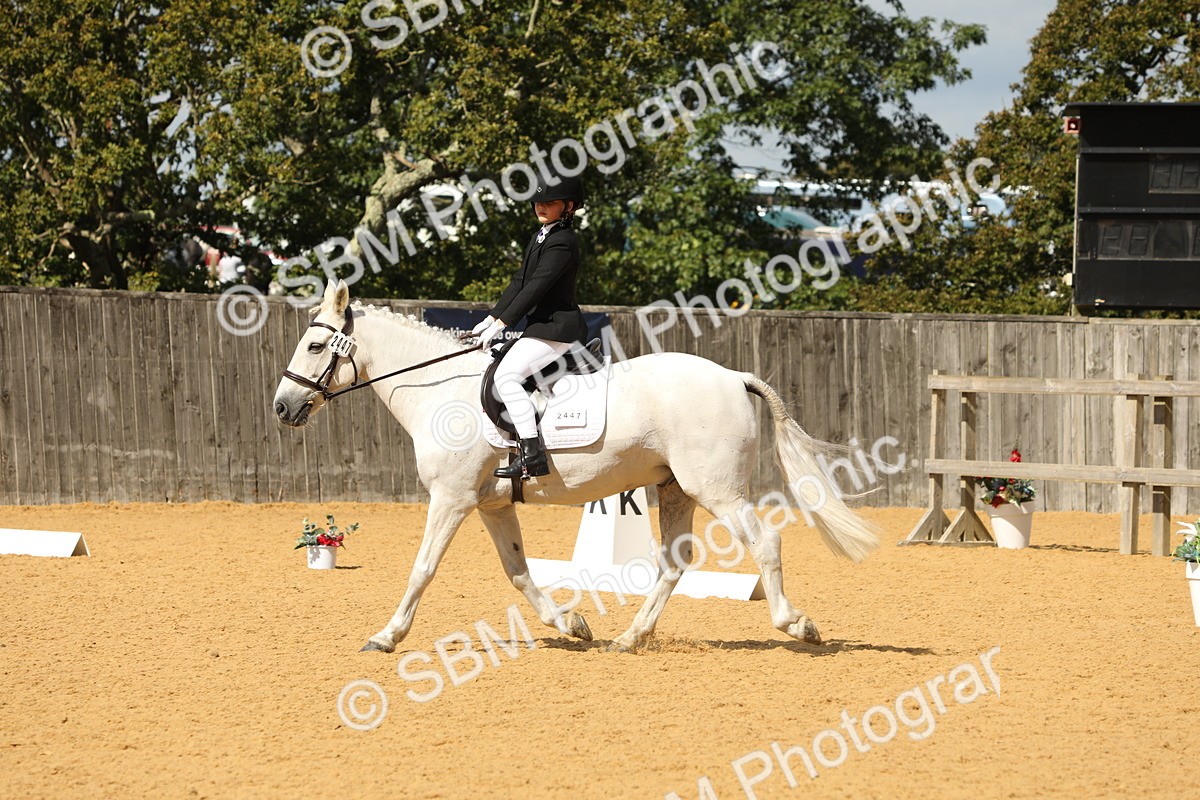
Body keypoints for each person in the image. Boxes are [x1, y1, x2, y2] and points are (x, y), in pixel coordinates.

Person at [472, 173, 588, 479]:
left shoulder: (563, 241)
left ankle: (532, 455)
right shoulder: (541, 237)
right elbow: (519, 282)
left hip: (558, 328)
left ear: (569, 206)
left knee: (507, 377)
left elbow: (536, 287)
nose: (541, 206)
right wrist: (489, 318)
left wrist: (501, 324)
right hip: (540, 328)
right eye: (538, 201)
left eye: (549, 202)